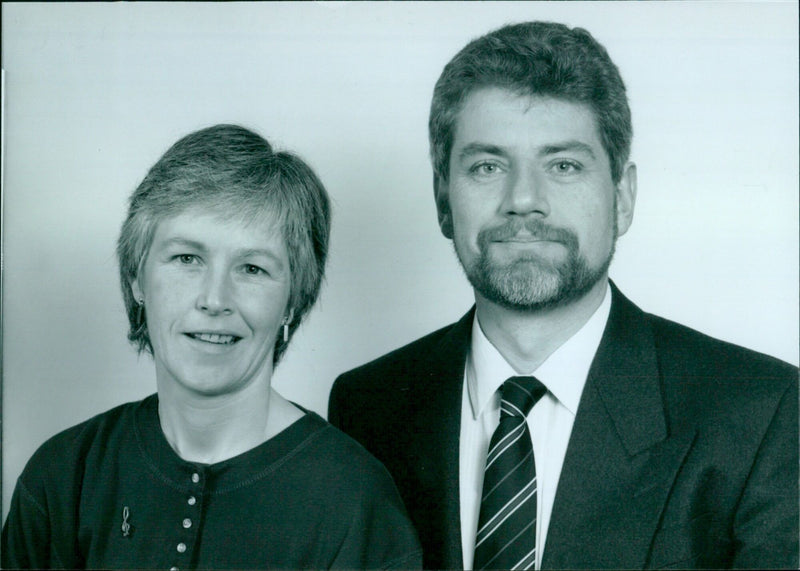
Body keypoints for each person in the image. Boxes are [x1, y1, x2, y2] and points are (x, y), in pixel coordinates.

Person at [329, 22, 798, 570]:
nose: (523, 200)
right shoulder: (368, 408)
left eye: (564, 165)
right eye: (487, 166)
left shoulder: (763, 412)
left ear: (623, 198)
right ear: (443, 199)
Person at [2, 124, 422, 569]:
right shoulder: (65, 477)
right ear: (137, 279)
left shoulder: (355, 503)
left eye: (253, 268)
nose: (215, 299)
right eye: (187, 259)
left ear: (291, 303)